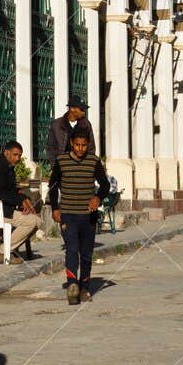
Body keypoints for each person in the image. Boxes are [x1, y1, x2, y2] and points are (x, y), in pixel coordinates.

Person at [48, 125, 110, 302]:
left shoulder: (93, 161)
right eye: (77, 145)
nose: (80, 149)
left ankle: (85, 287)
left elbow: (105, 185)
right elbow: (53, 187)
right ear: (71, 144)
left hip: (88, 216)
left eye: (83, 145)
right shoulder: (61, 161)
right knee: (72, 250)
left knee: (86, 253)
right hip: (68, 214)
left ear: (88, 144)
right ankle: (72, 284)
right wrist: (55, 208)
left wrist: (97, 198)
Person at [0, 140, 42, 260]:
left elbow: (11, 191)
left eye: (19, 156)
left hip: (3, 210)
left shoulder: (8, 167)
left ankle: (9, 248)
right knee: (31, 222)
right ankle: (3, 251)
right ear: (6, 153)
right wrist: (20, 200)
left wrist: (23, 199)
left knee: (38, 221)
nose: (17, 158)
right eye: (15, 155)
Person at [45, 99, 96, 166]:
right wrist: (55, 166)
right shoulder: (56, 125)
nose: (83, 112)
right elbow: (50, 147)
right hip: (63, 165)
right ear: (72, 109)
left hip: (81, 165)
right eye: (81, 109)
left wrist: (88, 165)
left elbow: (91, 148)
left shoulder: (86, 124)